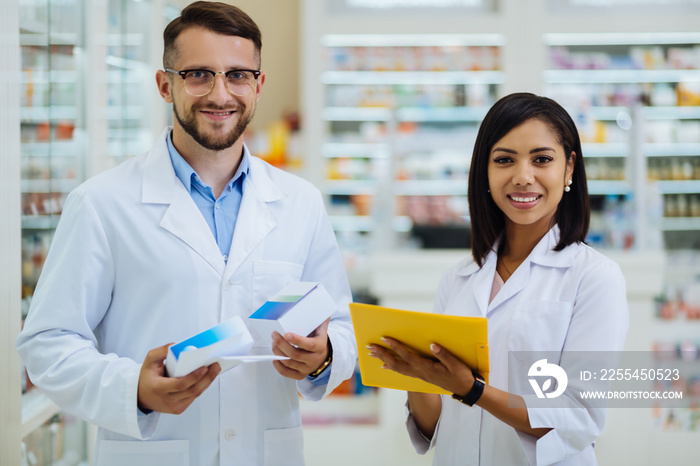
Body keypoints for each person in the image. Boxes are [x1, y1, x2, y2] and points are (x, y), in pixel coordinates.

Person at [16, 2, 357, 465]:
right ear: (165, 84)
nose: (221, 94)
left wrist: (322, 357)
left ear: (258, 86)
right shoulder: (102, 203)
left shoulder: (299, 202)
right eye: (199, 74)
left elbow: (341, 324)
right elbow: (48, 343)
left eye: (237, 75)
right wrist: (132, 387)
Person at [368, 93, 629, 465]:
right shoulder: (458, 278)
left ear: (569, 168)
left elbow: (577, 417)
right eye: (504, 160)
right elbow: (433, 426)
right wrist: (416, 376)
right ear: (484, 172)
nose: (523, 177)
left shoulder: (594, 278)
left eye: (542, 159)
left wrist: (472, 390)